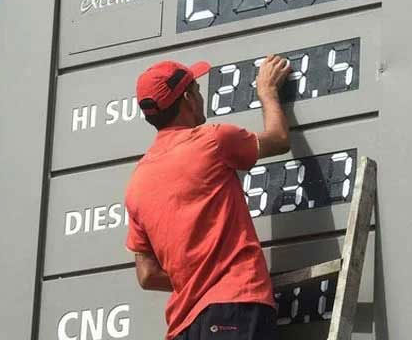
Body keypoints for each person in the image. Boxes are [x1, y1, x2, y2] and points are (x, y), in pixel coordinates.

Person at [124, 55, 292, 340]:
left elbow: (147, 274)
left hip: (183, 327)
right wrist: (267, 90)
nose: (202, 97)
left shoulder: (137, 183)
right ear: (188, 98)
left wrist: (195, 279)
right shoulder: (212, 140)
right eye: (198, 90)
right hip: (236, 305)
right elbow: (278, 139)